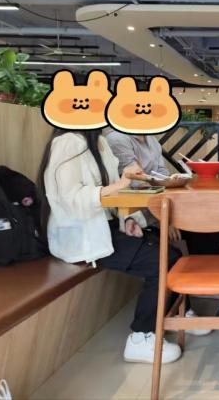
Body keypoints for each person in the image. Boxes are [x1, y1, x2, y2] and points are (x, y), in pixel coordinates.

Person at [37, 130, 184, 364]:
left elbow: (114, 197)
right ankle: (141, 337)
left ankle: (174, 316)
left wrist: (128, 219)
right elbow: (71, 200)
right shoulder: (66, 144)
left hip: (107, 226)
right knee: (161, 262)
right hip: (83, 236)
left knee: (173, 254)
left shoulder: (100, 142)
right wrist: (122, 183)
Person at [105, 129, 212, 336]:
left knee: (200, 221)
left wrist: (169, 208)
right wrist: (166, 218)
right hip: (136, 215)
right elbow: (134, 180)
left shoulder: (152, 140)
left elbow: (162, 174)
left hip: (155, 210)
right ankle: (150, 330)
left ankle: (188, 305)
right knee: (168, 258)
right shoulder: (117, 139)